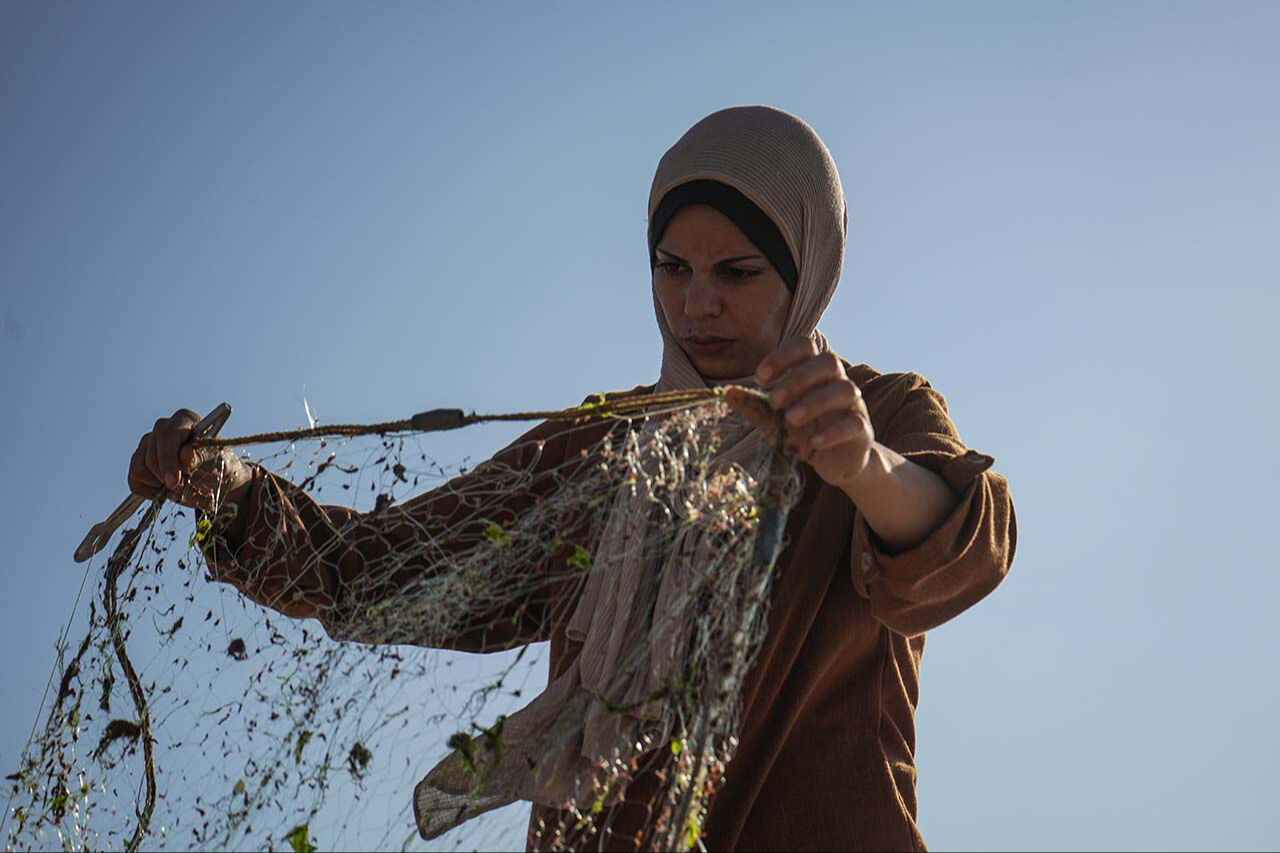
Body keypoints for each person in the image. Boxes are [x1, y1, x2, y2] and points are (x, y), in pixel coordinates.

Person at [128, 106, 1016, 851]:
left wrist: (860, 466)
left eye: (738, 272)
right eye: (672, 267)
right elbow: (381, 572)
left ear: (808, 267)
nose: (696, 304)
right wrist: (225, 489)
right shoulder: (601, 447)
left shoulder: (878, 411)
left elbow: (967, 547)